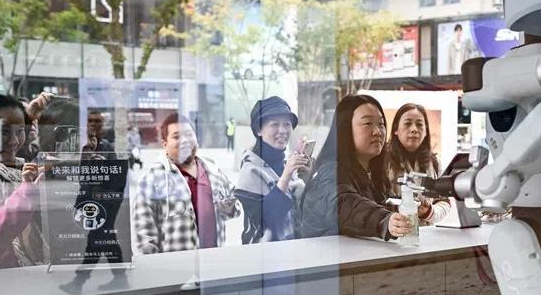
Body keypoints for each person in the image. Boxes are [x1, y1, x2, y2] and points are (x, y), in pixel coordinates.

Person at [36, 98, 130, 293]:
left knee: (99, 237)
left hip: (105, 200)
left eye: (98, 121)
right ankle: (118, 278)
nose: (94, 125)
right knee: (104, 236)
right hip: (90, 200)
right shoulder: (72, 150)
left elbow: (117, 177)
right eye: (90, 121)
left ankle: (80, 281)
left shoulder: (106, 148)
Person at [299, 94, 413, 240]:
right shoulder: (330, 172)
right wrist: (384, 219)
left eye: (381, 124)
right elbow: (347, 204)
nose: (378, 131)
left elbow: (385, 201)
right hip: (329, 260)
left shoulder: (371, 173)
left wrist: (410, 202)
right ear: (345, 129)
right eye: (367, 123)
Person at [134, 112, 240, 254]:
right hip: (175, 270)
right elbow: (144, 235)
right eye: (177, 136)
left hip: (214, 262)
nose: (185, 140)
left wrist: (229, 208)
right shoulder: (151, 178)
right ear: (164, 144)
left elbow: (236, 207)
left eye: (189, 134)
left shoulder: (213, 170)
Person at [235, 97, 310, 244]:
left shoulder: (286, 164)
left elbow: (309, 211)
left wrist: (308, 178)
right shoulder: (251, 167)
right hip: (263, 257)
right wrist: (286, 175)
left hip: (294, 251)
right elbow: (263, 218)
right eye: (274, 124)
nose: (282, 131)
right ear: (259, 130)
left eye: (287, 124)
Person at [0, 93, 44, 269]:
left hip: (33, 279)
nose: (14, 141)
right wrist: (26, 194)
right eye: (4, 132)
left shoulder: (24, 168)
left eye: (20, 131)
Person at [387, 103, 451, 225]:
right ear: (396, 129)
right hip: (394, 236)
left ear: (426, 131)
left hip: (428, 237)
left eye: (420, 124)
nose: (414, 129)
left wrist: (429, 212)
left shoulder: (434, 163)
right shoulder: (383, 160)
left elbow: (444, 202)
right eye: (407, 124)